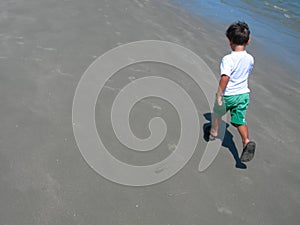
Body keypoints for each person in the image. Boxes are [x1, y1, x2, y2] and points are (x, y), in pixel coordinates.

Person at [209, 21, 256, 162]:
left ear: (229, 41)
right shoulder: (250, 58)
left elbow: (225, 77)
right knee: (239, 120)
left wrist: (219, 94)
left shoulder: (228, 59)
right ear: (248, 41)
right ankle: (246, 141)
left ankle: (214, 132)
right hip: (243, 95)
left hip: (229, 94)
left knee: (217, 112)